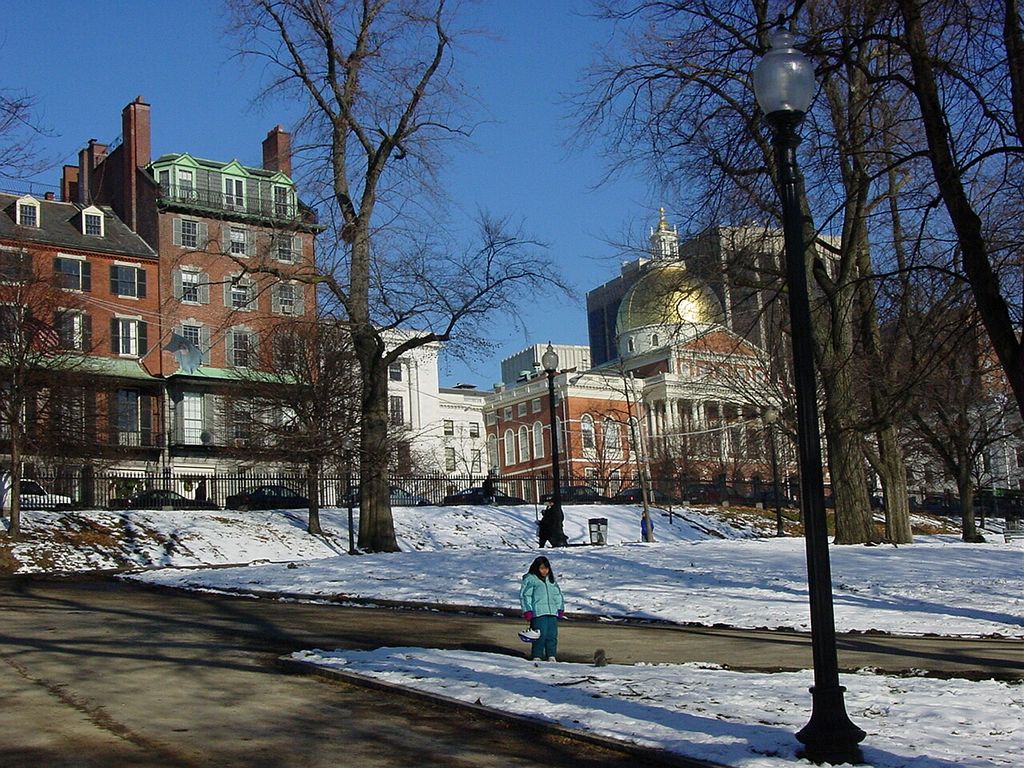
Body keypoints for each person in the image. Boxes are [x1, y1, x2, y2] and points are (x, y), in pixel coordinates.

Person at [519, 555, 565, 661]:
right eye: (542, 568)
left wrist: (560, 608)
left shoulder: (551, 580)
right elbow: (525, 596)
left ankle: (551, 655)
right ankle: (537, 656)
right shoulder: (531, 579)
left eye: (546, 568)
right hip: (538, 612)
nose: (544, 571)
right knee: (540, 635)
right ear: (536, 568)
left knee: (552, 636)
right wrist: (528, 610)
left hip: (552, 612)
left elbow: (558, 595)